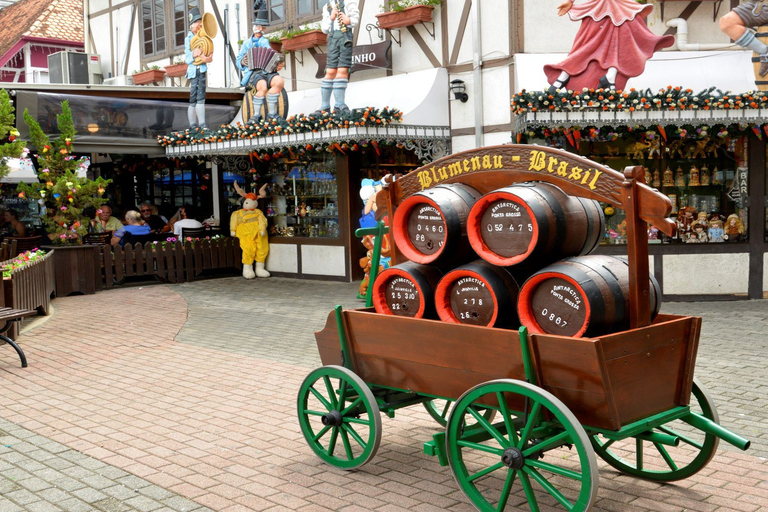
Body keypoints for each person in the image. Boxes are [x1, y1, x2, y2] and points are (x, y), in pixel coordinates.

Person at [544, 0, 674, 93]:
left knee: (621, 41)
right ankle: (564, 76)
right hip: (601, 8)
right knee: (586, 45)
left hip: (620, 8)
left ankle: (611, 75)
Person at [237, 4, 286, 124]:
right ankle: (256, 115)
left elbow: (272, 55)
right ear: (254, 27)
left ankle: (272, 113)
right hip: (253, 74)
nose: (260, 29)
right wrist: (242, 62)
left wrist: (278, 63)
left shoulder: (265, 42)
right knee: (262, 86)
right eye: (258, 26)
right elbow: (238, 61)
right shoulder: (246, 44)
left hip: (266, 71)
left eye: (262, 27)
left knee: (279, 81)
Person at [316, 0, 359, 114]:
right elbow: (324, 28)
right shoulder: (327, 6)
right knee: (330, 71)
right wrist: (331, 17)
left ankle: (339, 104)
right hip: (332, 39)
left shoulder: (348, 2)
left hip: (345, 37)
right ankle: (324, 106)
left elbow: (355, 18)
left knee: (342, 69)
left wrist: (348, 20)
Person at [720, 1, 768, 77]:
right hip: (758, 4)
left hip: (762, 5)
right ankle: (764, 52)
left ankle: (765, 52)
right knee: (727, 22)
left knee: (727, 22)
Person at [185, 7, 214, 130]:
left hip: (201, 70)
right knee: (193, 98)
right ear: (192, 25)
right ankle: (192, 124)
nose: (200, 24)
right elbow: (187, 58)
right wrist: (193, 53)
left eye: (200, 22)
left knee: (201, 97)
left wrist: (206, 59)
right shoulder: (188, 39)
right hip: (193, 72)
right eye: (197, 22)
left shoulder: (205, 38)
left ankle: (202, 123)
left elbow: (210, 57)